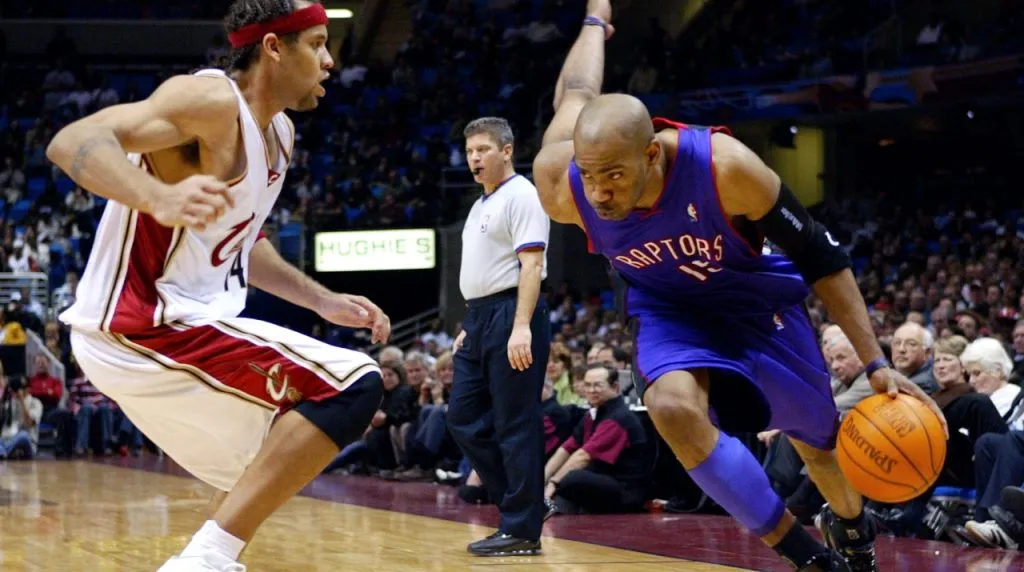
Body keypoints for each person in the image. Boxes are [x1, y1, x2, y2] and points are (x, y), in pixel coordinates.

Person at [530, 2, 946, 570]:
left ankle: (852, 526)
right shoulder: (563, 183)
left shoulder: (724, 168)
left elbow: (821, 256)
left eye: (615, 175)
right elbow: (577, 91)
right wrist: (595, 22)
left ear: (651, 153)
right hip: (667, 307)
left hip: (755, 302)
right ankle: (804, 555)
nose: (599, 193)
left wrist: (875, 362)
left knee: (819, 445)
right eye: (591, 174)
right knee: (670, 406)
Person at [46, 2, 390, 571]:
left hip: (182, 324)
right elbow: (72, 140)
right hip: (143, 324)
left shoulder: (280, 135)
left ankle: (204, 561)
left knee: (271, 458)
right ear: (274, 48)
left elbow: (243, 241)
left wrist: (321, 300)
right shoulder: (210, 102)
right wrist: (157, 196)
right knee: (353, 383)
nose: (330, 61)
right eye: (317, 44)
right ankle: (206, 560)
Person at [447, 116, 551, 556]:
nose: (474, 158)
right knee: (462, 417)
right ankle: (527, 503)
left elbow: (531, 266)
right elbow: (482, 272)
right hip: (480, 318)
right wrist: (468, 325)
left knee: (515, 423)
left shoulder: (523, 195)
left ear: (506, 151)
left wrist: (521, 325)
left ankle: (523, 528)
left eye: (483, 150)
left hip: (513, 313)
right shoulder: (480, 204)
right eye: (470, 151)